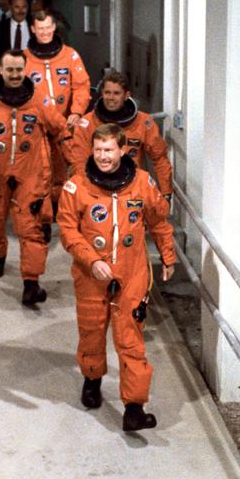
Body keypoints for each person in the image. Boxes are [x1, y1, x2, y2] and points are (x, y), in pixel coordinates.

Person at [57, 123, 176, 432]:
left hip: (131, 272)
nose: (103, 157)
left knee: (130, 339)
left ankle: (134, 408)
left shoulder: (142, 183)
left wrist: (168, 255)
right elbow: (68, 231)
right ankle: (92, 379)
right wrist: (91, 260)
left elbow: (159, 222)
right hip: (91, 274)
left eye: (108, 150)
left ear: (123, 150)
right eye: (97, 150)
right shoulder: (77, 186)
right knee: (92, 330)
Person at [0, 50, 68, 307]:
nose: (14, 75)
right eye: (9, 70)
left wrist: (70, 166)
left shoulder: (41, 101)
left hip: (30, 175)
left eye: (18, 70)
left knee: (32, 228)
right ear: (0, 70)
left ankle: (31, 283)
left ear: (25, 70)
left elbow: (61, 130)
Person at [68, 69, 172, 202]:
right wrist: (85, 195)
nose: (111, 98)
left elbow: (160, 158)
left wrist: (166, 193)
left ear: (127, 95)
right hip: (96, 191)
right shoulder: (87, 124)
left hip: (132, 191)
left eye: (116, 93)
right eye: (107, 93)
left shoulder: (143, 123)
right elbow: (79, 163)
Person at [24, 8, 91, 192]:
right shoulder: (24, 58)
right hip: (38, 124)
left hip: (65, 123)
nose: (44, 32)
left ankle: (66, 208)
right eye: (40, 28)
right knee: (39, 169)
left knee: (72, 167)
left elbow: (81, 86)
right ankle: (43, 212)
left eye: (48, 27)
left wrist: (76, 111)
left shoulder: (70, 55)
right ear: (32, 29)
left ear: (54, 27)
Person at [0, 0, 30, 69]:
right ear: (10, 8)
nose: (21, 11)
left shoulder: (35, 26)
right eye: (17, 7)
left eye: (24, 7)